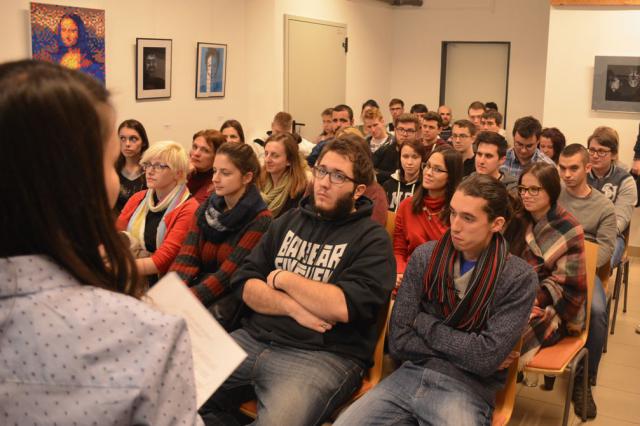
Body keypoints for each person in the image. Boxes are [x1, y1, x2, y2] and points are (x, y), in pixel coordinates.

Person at [0, 59, 201, 424]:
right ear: (77, 183)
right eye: (110, 163)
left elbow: (161, 257)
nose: (121, 178)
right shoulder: (145, 337)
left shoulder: (186, 208)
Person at [198, 138, 395, 426]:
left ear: (358, 191)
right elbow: (245, 284)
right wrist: (292, 308)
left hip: (321, 356)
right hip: (252, 339)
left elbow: (342, 305)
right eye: (322, 171)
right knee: (173, 385)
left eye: (338, 176)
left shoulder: (372, 239)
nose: (324, 183)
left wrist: (283, 278)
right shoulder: (289, 220)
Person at [333, 174, 537, 426]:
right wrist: (471, 350)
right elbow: (398, 341)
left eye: (468, 218)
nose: (455, 226)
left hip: (467, 389)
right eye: (453, 213)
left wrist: (424, 323)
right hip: (408, 375)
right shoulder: (425, 257)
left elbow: (484, 359)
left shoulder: (518, 278)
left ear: (496, 224)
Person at [170, 142, 272, 310]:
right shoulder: (206, 207)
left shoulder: (260, 220)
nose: (215, 179)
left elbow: (228, 276)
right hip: (196, 292)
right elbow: (187, 256)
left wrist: (185, 300)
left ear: (246, 177)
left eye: (225, 173)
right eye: (214, 171)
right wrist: (170, 291)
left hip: (227, 301)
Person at [558, 144, 617, 418]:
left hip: (584, 268)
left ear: (588, 168)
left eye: (573, 168)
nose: (567, 174)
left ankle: (584, 379)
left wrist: (576, 262)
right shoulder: (553, 195)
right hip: (551, 264)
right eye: (562, 168)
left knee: (597, 311)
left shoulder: (604, 206)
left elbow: (605, 250)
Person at [511, 163, 586, 376]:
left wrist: (528, 300)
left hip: (553, 307)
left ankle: (500, 382)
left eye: (534, 189)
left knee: (508, 331)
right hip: (516, 294)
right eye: (522, 189)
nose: (526, 195)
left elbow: (567, 285)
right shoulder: (518, 220)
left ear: (551, 191)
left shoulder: (569, 227)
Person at [117, 141, 199, 283]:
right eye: (148, 164)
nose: (150, 171)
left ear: (178, 173)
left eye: (159, 166)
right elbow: (115, 235)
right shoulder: (138, 198)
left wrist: (117, 267)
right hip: (132, 274)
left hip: (163, 282)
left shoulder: (189, 208)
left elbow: (162, 261)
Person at [393, 146, 463, 288]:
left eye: (437, 169)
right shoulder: (407, 206)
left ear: (451, 176)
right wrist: (399, 271)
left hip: (443, 282)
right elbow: (399, 249)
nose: (428, 173)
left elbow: (459, 258)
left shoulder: (458, 211)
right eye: (428, 166)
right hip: (408, 276)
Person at [587, 126, 638, 267]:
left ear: (614, 154)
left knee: (596, 264)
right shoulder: (579, 174)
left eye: (601, 151)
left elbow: (620, 220)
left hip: (611, 236)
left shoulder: (625, 180)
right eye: (592, 150)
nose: (595, 155)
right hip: (580, 233)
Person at [259, 132, 308, 217]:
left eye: (275, 155)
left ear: (289, 160)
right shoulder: (259, 182)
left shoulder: (299, 191)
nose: (267, 160)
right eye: (266, 153)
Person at [52, 13, 105, 83]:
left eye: (72, 31)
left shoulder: (87, 61)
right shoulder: (57, 58)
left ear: (80, 32)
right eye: (63, 30)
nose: (67, 36)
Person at [115, 119, 149, 214]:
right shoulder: (111, 171)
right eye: (122, 138)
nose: (127, 144)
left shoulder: (151, 171)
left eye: (133, 139)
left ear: (143, 142)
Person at [374, 113, 420, 184]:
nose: (405, 134)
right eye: (401, 129)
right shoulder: (385, 150)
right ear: (395, 130)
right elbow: (370, 170)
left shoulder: (422, 153)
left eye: (410, 130)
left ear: (417, 133)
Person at [383, 139, 426, 212]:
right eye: (405, 156)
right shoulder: (388, 185)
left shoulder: (425, 187)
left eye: (415, 157)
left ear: (422, 159)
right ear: (400, 158)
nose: (409, 162)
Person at [187, 129, 226, 204]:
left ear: (216, 156)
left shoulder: (215, 183)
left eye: (205, 150)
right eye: (195, 147)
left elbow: (193, 207)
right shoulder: (185, 172)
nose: (196, 153)